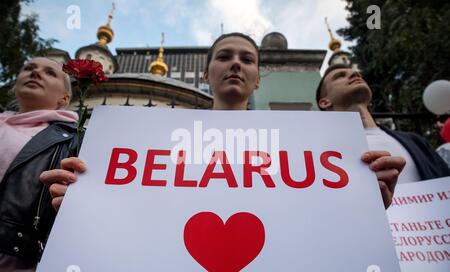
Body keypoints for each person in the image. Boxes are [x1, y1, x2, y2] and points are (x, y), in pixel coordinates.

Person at [40, 34, 404, 241]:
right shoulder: (158, 146)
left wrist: (363, 204)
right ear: (206, 73)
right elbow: (136, 223)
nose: (236, 64)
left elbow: (314, 231)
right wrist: (82, 201)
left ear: (258, 79)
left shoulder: (299, 150)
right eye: (225, 56)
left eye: (247, 59)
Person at [0, 57, 80, 272]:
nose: (35, 73)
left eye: (49, 73)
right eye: (28, 68)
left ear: (64, 99)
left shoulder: (73, 141)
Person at [316, 64, 450, 183]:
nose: (354, 74)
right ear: (325, 102)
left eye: (357, 73)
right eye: (340, 76)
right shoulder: (318, 153)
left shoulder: (416, 142)